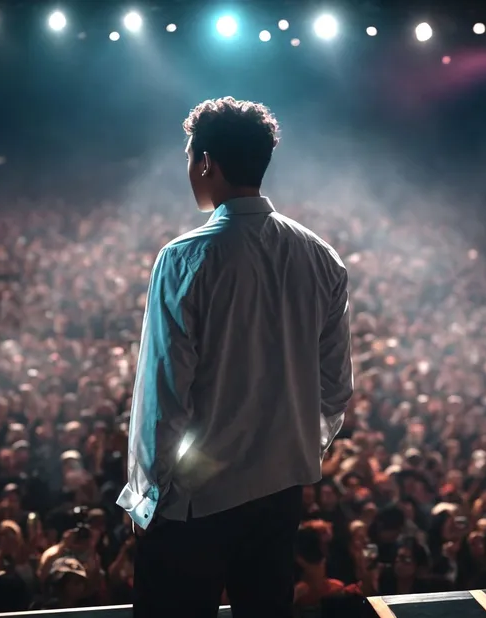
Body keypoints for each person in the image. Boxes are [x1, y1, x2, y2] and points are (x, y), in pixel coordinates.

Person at [120, 97, 354, 618]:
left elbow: (163, 393)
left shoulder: (186, 257)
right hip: (281, 495)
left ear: (206, 162)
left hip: (195, 503)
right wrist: (287, 450)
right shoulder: (322, 256)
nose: (188, 170)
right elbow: (335, 388)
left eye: (188, 157)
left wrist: (146, 494)